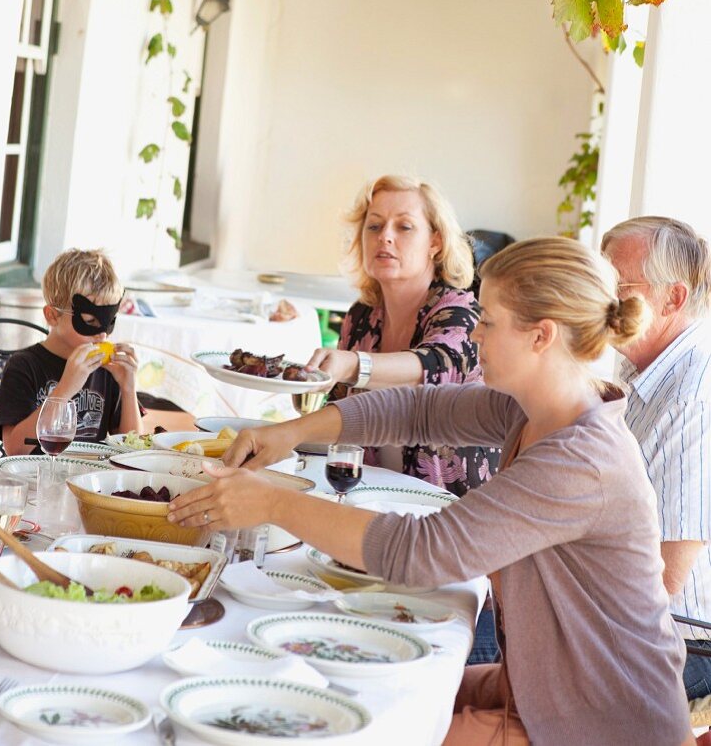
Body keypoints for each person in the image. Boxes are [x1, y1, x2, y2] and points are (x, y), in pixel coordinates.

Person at [169, 237, 692, 746]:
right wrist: (290, 433)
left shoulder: (580, 459)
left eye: (487, 321)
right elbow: (417, 408)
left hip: (599, 723)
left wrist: (272, 502)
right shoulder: (539, 409)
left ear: (542, 336)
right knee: (326, 691)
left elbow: (421, 552)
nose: (475, 336)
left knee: (355, 725)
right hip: (549, 693)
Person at [307, 174, 499, 496]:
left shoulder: (460, 310)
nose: (385, 237)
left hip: (451, 511)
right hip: (369, 495)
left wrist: (354, 366)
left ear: (435, 242)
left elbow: (438, 366)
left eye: (404, 227)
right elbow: (337, 414)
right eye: (374, 226)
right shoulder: (362, 315)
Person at [602, 216, 711, 700]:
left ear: (674, 298)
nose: (603, 303)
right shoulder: (636, 366)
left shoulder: (692, 397)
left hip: (686, 641)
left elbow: (665, 578)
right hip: (638, 618)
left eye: (619, 287)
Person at [0, 248, 140, 454]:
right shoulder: (24, 365)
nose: (102, 335)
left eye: (109, 322)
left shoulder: (107, 371)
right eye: (89, 322)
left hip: (91, 480)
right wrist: (64, 390)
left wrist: (128, 388)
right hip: (36, 480)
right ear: (52, 316)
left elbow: (132, 450)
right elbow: (15, 449)